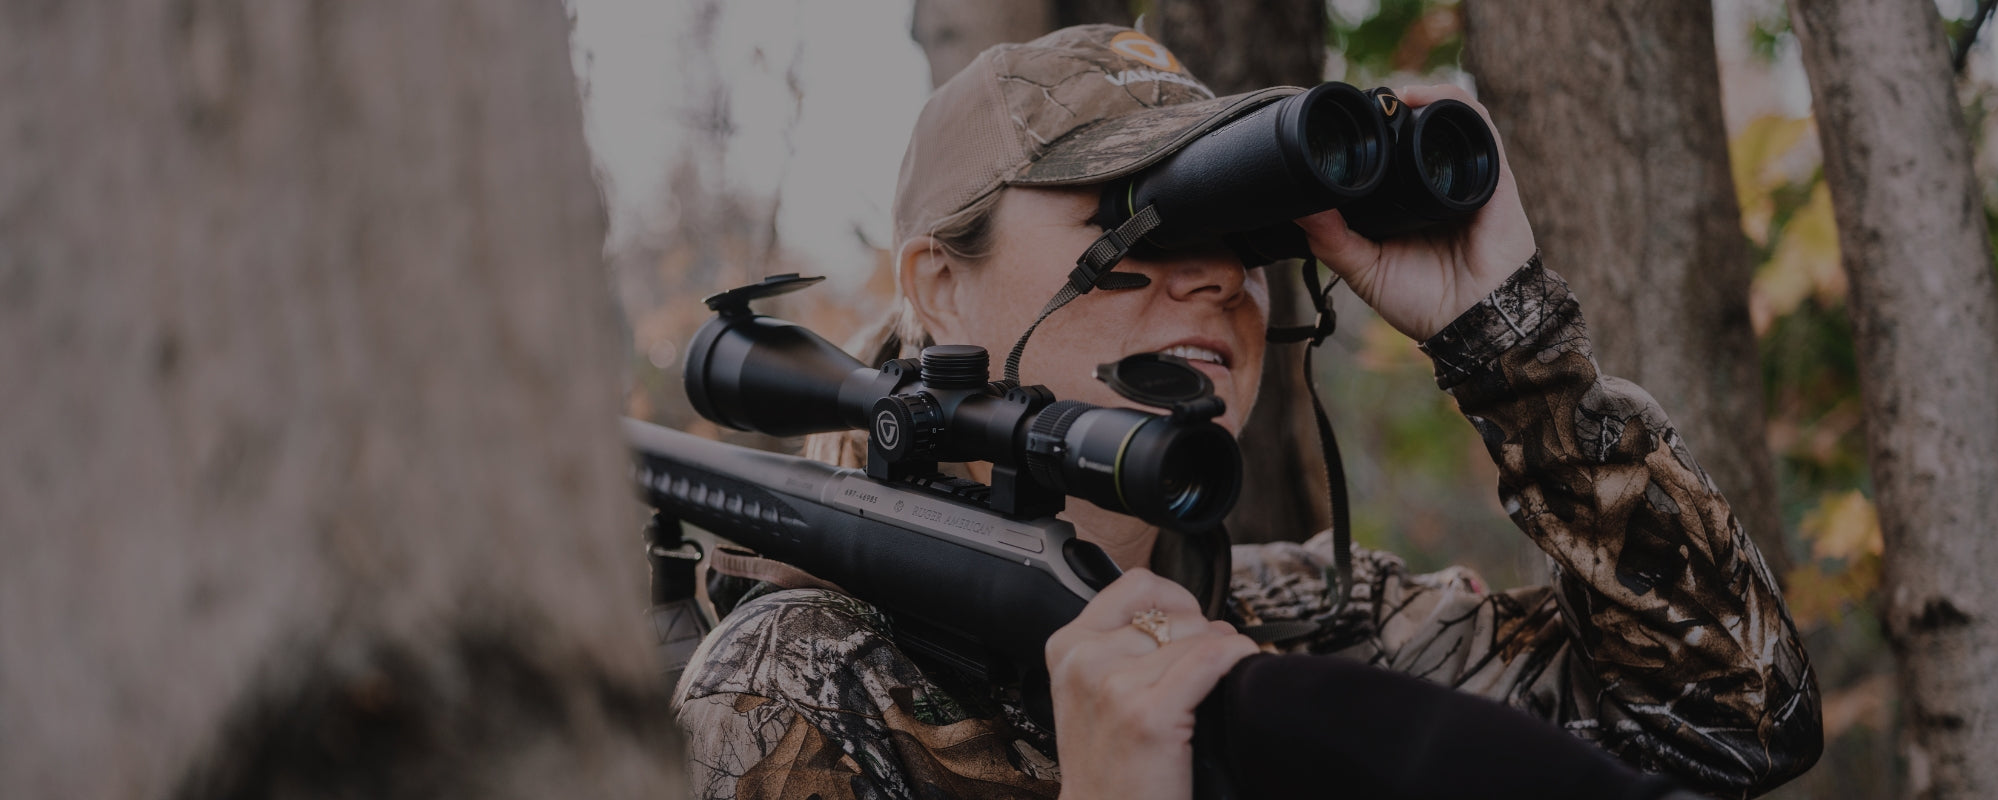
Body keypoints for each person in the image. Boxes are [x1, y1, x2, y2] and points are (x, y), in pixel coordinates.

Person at [673, 24, 1820, 800]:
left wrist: (1505, 337)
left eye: (1247, 233)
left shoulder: (1311, 613)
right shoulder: (795, 683)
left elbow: (1730, 714)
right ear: (937, 285)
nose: (1215, 276)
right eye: (1132, 224)